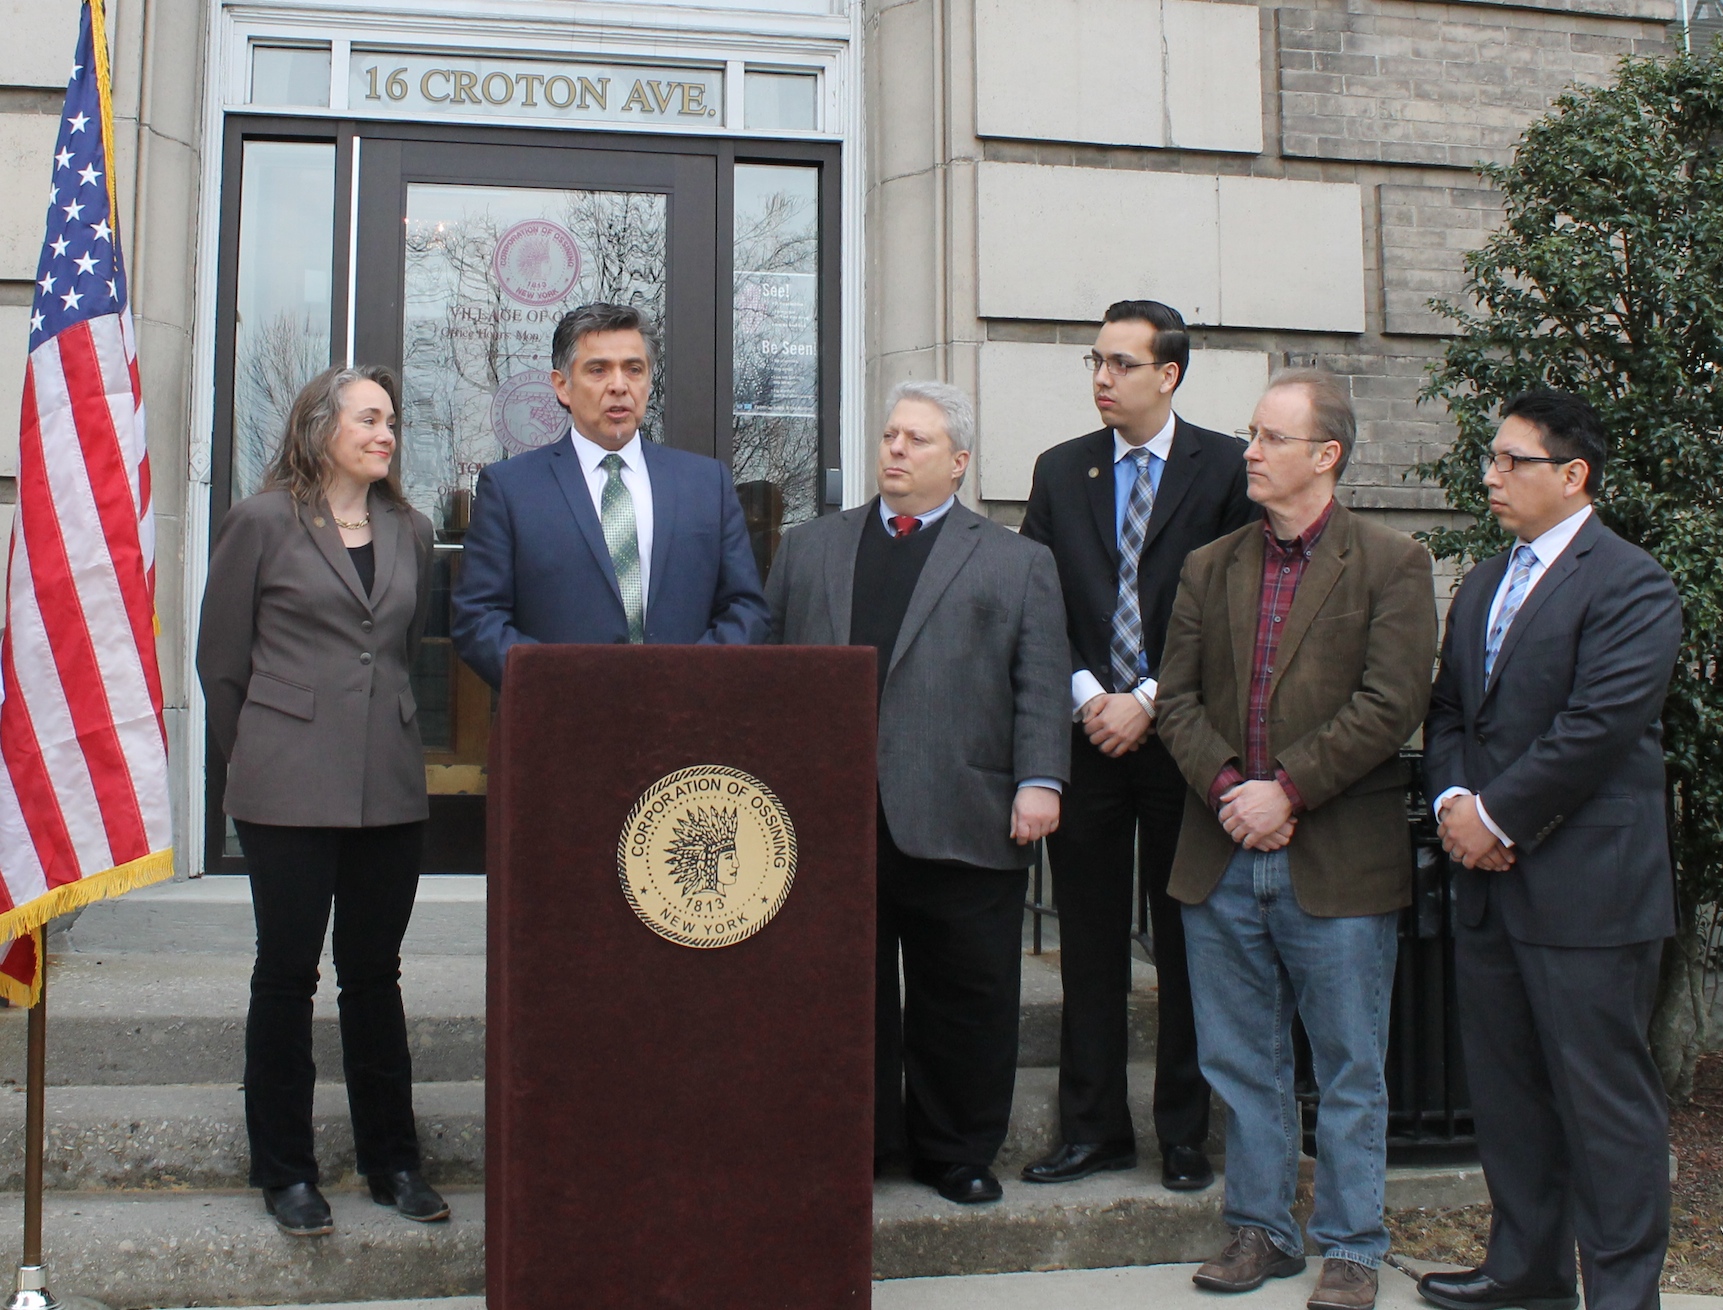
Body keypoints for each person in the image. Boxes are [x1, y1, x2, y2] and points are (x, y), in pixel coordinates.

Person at [1157, 369, 1437, 1310]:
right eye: (1250, 434)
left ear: (1327, 456)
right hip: (1223, 851)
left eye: (1272, 438)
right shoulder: (1211, 565)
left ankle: (1353, 1246)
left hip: (1335, 860)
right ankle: (1262, 1231)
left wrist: (1291, 791)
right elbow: (1179, 701)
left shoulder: (1393, 563)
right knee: (1241, 1062)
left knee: (1351, 1065)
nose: (1250, 452)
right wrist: (1237, 790)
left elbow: (1391, 704)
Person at [765, 381, 1069, 1205]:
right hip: (832, 816)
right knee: (843, 994)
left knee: (965, 995)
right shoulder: (810, 549)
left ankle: (957, 1149)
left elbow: (1040, 682)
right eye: (891, 436)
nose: (896, 450)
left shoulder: (1016, 561)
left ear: (959, 462)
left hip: (963, 808)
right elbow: (766, 677)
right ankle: (857, 1140)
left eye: (918, 441)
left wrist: (1041, 780)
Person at [1422, 391, 1681, 1310]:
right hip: (1492, 888)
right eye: (1491, 460)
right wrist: (1454, 800)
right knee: (1511, 1096)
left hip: (1589, 891)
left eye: (1510, 461)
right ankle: (1526, 1274)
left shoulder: (1631, 583)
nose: (1489, 476)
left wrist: (1493, 817)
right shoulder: (1486, 580)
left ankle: (1621, 1294)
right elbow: (1450, 710)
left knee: (1604, 1106)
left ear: (1572, 476)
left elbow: (1598, 727)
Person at [197, 365, 447, 1237]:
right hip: (285, 791)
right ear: (319, 427)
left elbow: (401, 649)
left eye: (390, 422)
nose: (386, 434)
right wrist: (264, 757)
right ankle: (287, 1171)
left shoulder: (410, 530)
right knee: (288, 974)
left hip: (389, 789)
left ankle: (394, 1162)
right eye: (369, 419)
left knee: (374, 977)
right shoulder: (261, 522)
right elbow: (220, 663)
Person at [1018, 298, 1257, 1191]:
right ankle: (1092, 1130)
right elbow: (1041, 601)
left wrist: (1148, 700)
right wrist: (1090, 696)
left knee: (1187, 940)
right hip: (1086, 741)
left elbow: (1229, 609)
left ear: (1170, 374)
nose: (1102, 380)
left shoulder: (1227, 468)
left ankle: (1184, 1134)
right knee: (1084, 944)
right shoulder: (1060, 471)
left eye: (1121, 364)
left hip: (1184, 743)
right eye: (1095, 362)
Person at [452, 302, 768, 685]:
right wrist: (557, 685)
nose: (619, 385)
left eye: (633, 369)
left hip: (686, 723)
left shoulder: (706, 484)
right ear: (562, 386)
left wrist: (691, 679)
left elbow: (745, 608)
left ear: (648, 381)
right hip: (558, 726)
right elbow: (478, 619)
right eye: (598, 370)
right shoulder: (511, 488)